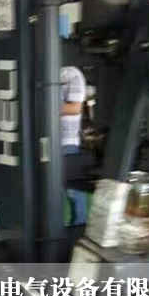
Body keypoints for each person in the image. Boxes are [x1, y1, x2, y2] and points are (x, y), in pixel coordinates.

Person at [61, 65, 87, 226]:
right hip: (44, 142)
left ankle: (78, 231)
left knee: (74, 194)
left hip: (66, 143)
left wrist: (42, 104)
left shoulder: (71, 74)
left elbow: (75, 108)